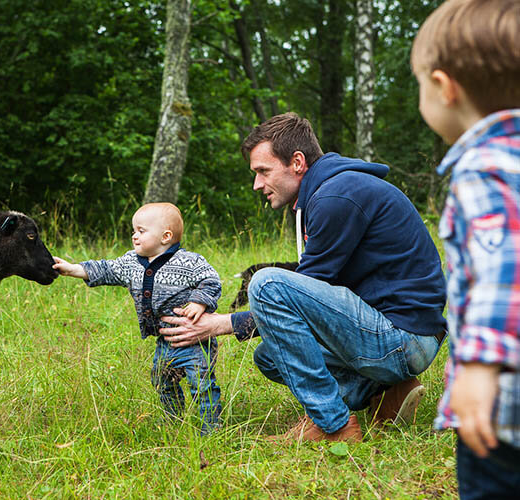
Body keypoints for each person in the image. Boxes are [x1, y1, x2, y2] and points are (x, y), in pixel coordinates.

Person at [160, 112, 448, 442]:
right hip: (400, 335)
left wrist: (220, 324)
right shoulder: (331, 190)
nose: (257, 184)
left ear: (297, 162)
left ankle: (332, 424)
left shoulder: (336, 196)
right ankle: (384, 392)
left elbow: (297, 296)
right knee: (269, 356)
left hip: (402, 339)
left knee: (266, 283)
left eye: (263, 171)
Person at [410, 0, 520, 497]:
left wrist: (478, 366)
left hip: (501, 406)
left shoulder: (485, 166)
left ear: (443, 87)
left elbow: (505, 267)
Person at [52, 202, 223, 435]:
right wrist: (73, 269)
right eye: (134, 231)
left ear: (166, 236)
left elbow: (211, 280)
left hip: (195, 338)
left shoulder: (189, 262)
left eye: (141, 231)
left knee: (201, 385)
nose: (134, 236)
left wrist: (200, 301)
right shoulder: (131, 262)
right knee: (162, 381)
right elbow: (106, 269)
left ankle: (211, 428)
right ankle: (174, 421)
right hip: (165, 340)